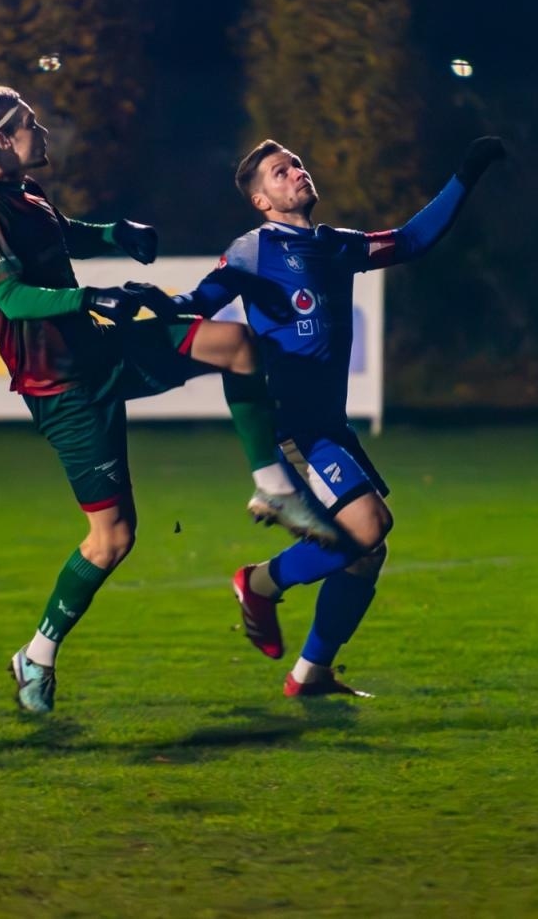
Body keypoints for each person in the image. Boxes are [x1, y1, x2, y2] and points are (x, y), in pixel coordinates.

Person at [0, 85, 335, 714]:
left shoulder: (26, 195)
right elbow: (13, 298)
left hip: (99, 351)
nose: (42, 131)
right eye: (30, 123)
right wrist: (92, 297)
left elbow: (61, 235)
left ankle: (272, 484)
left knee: (238, 345)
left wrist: (114, 233)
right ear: (1, 139)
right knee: (111, 540)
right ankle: (37, 654)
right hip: (63, 388)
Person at [152, 136, 504, 697]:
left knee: (365, 554)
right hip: (292, 425)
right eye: (278, 171)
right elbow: (206, 298)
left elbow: (411, 240)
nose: (295, 171)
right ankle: (260, 584)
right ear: (261, 200)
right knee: (368, 528)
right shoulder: (255, 248)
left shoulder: (336, 246)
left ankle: (311, 673)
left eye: (294, 163)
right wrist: (163, 305)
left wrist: (467, 171)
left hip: (328, 425)